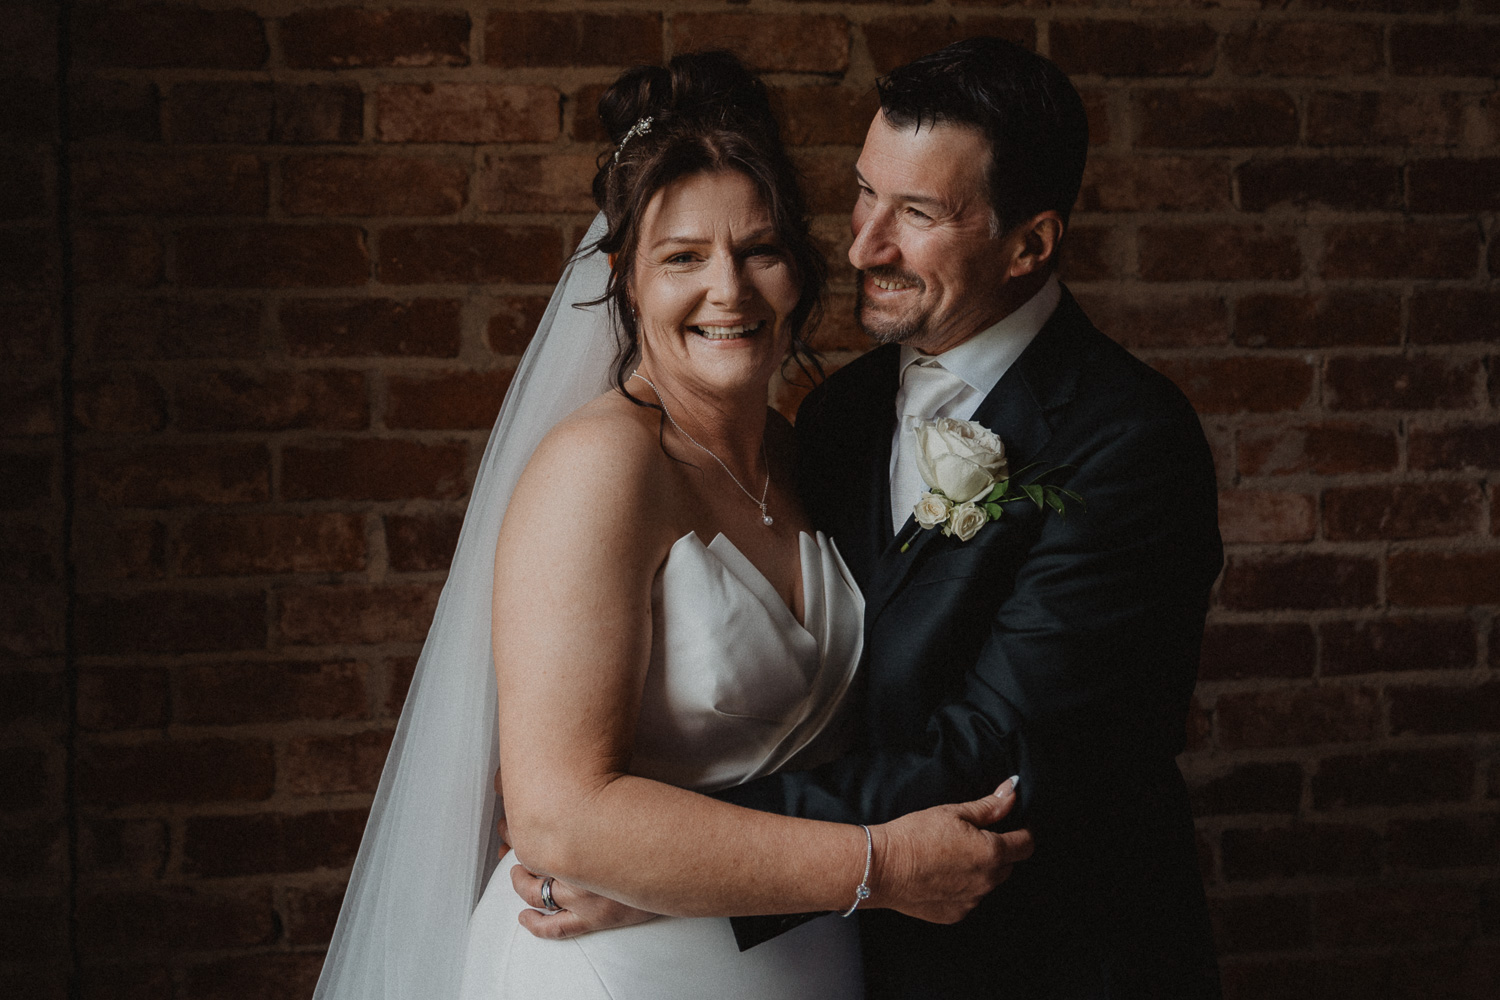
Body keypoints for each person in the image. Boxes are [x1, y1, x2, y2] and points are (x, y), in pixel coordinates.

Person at [311, 51, 1034, 1000]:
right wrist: (879, 868)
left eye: (759, 250)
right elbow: (562, 821)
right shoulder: (602, 467)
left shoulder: (803, 452)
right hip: (621, 970)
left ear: (800, 268)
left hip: (806, 959)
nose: (727, 291)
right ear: (625, 279)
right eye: (682, 258)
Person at [540, 37, 1225, 999]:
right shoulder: (836, 416)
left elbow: (995, 755)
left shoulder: (1129, 441)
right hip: (848, 958)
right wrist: (664, 856)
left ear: (1030, 243)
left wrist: (672, 865)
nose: (863, 244)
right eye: (866, 193)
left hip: (1051, 964)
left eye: (917, 213)